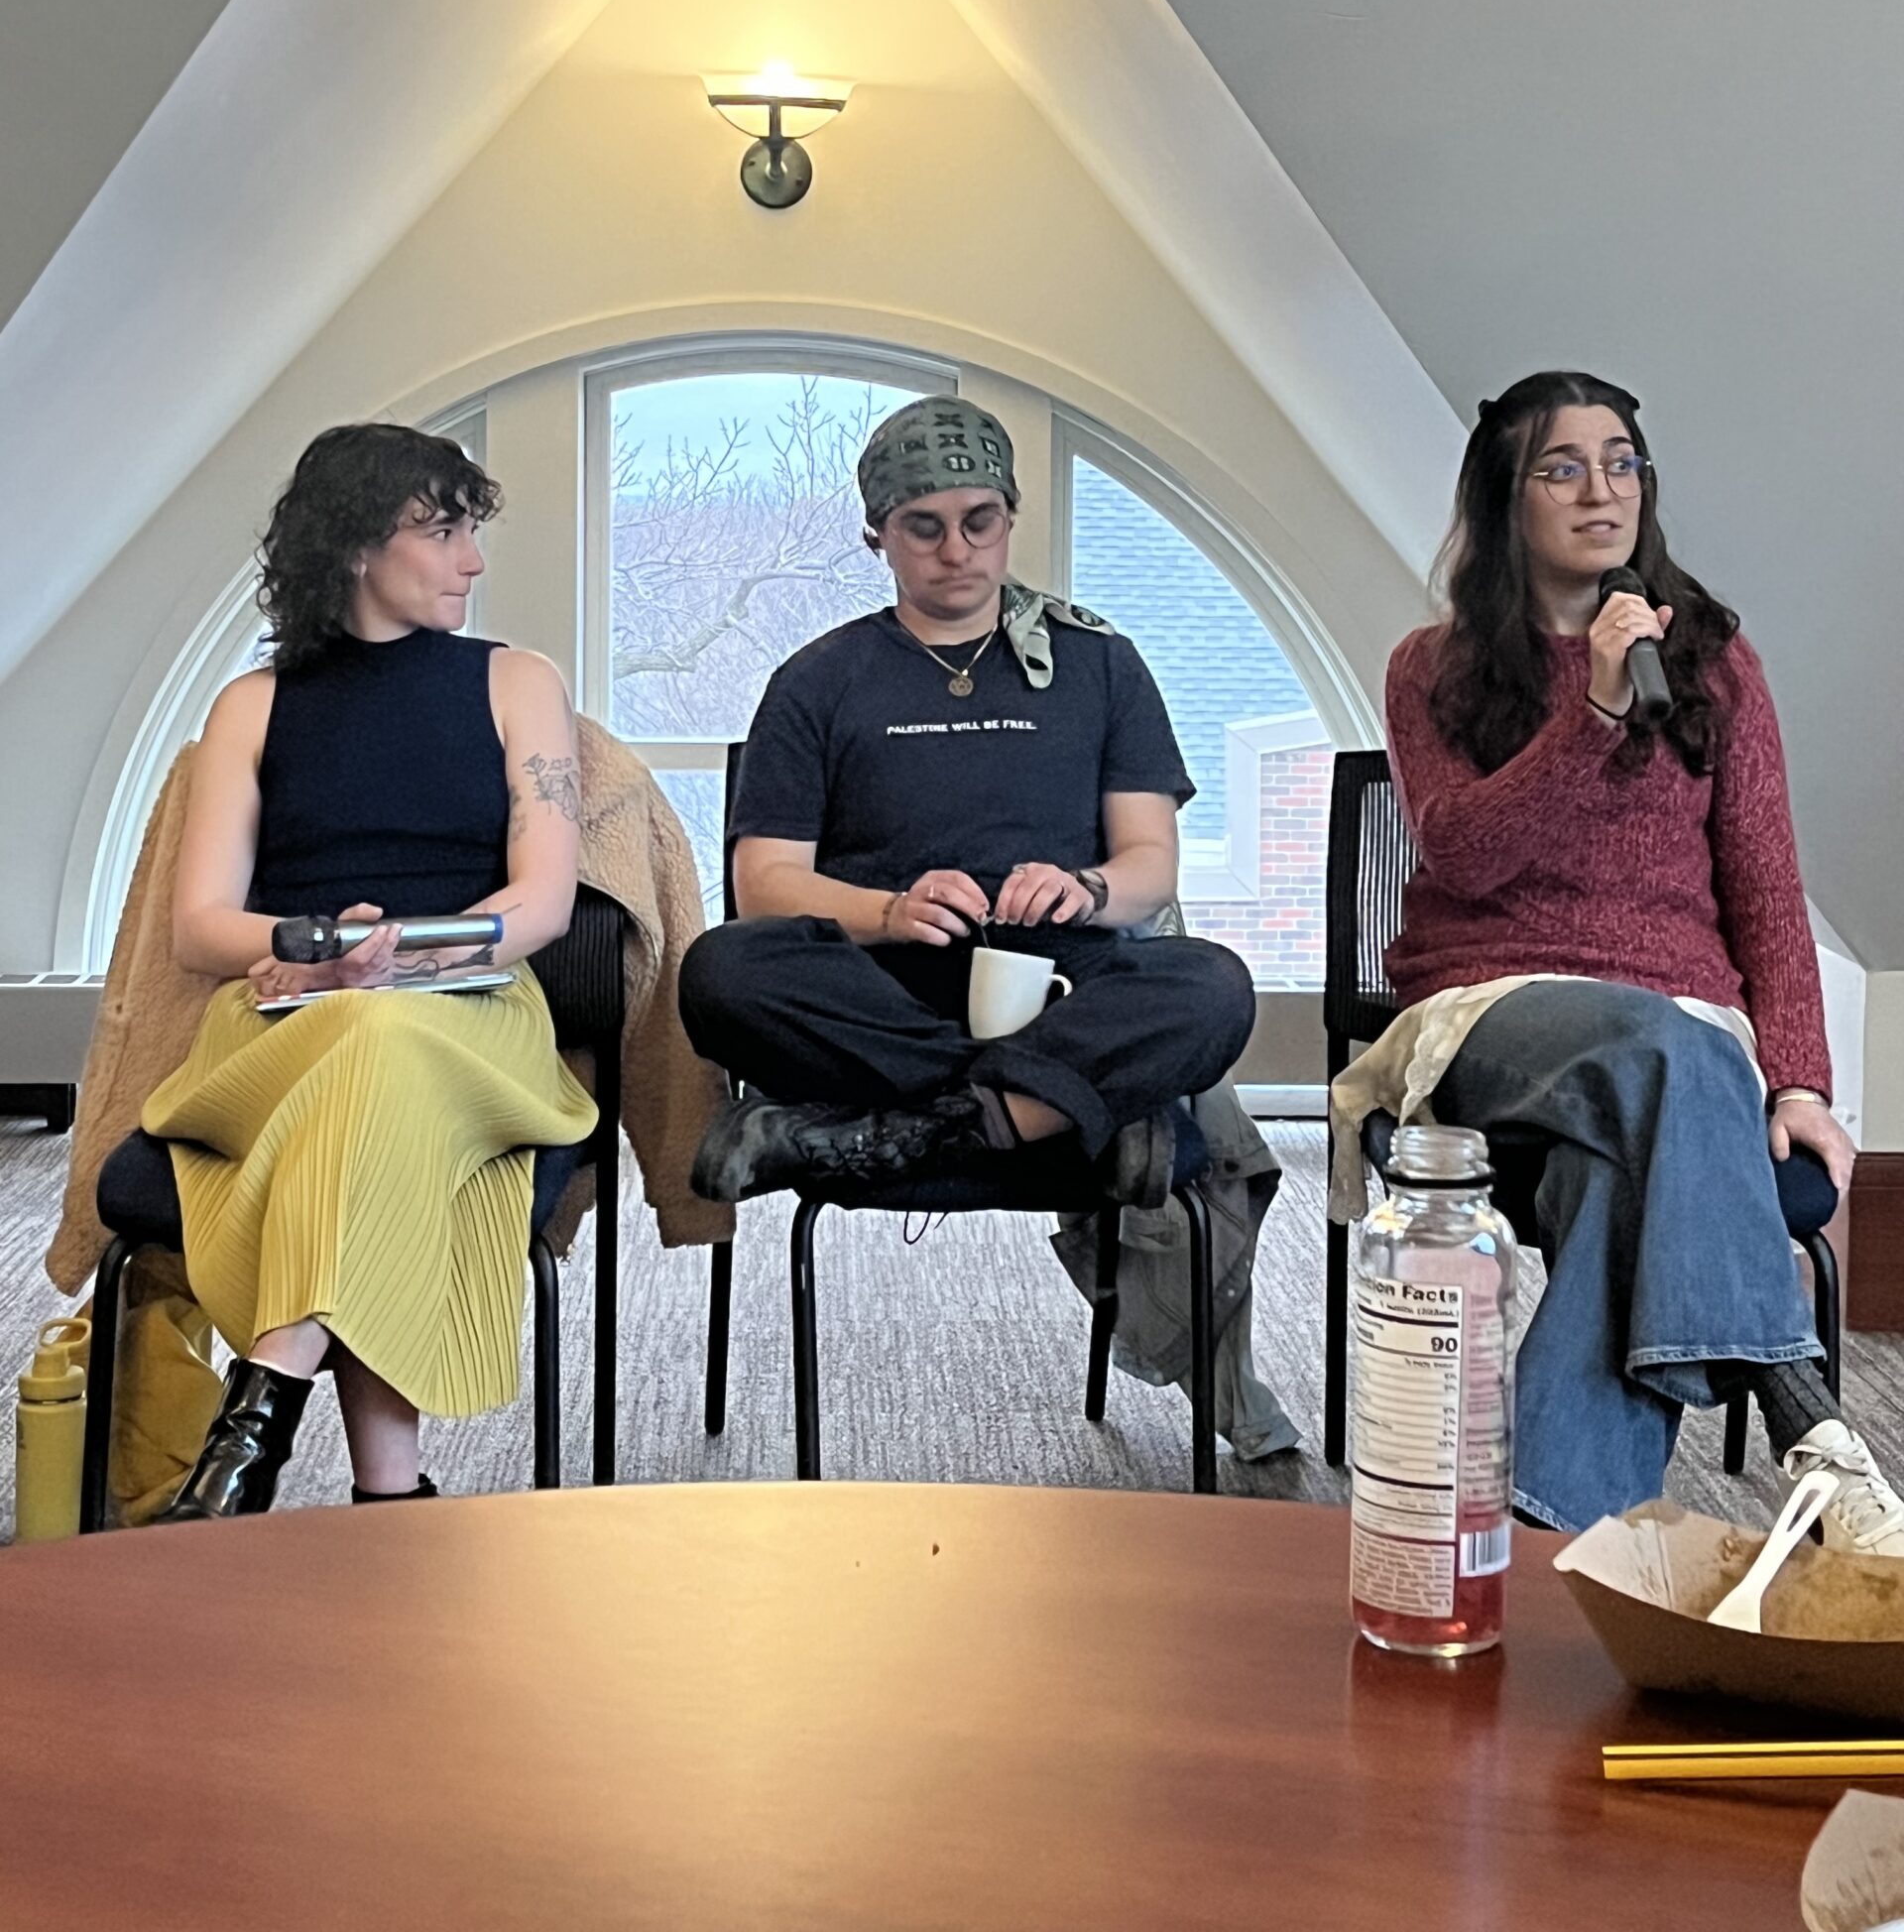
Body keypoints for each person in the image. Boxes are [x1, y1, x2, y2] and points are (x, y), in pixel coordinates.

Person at [1368, 369, 1896, 1546]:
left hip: (1677, 1031)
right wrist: (1592, 715)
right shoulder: (1433, 666)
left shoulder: (1713, 662)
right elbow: (1466, 853)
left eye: (1622, 463)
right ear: (1507, 497)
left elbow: (1765, 882)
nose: (1602, 489)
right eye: (1564, 466)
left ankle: (1546, 1533)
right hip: (1493, 1005)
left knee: (1619, 1174)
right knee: (1672, 1051)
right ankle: (1801, 1408)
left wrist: (1802, 1078)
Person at [144, 423, 595, 1518]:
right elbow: (199, 923)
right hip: (284, 1015)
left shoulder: (516, 682)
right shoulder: (253, 703)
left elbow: (543, 901)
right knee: (362, 1052)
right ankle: (392, 1495)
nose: (472, 561)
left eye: (470, 533)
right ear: (354, 546)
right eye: (443, 532)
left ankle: (265, 1406)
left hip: (472, 1011)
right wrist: (310, 956)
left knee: (380, 1040)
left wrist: (408, 958)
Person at [681, 395, 1256, 1199]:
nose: (957, 549)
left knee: (1212, 986)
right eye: (925, 526)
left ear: (1011, 518)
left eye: (979, 520)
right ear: (878, 535)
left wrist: (1085, 890)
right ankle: (1040, 1114)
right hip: (879, 992)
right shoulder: (816, 679)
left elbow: (1150, 865)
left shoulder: (1102, 665)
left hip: (1059, 989)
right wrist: (888, 912)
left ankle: (909, 1130)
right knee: (722, 971)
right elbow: (764, 886)